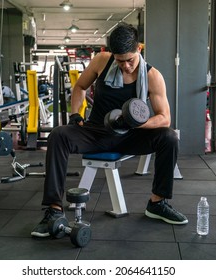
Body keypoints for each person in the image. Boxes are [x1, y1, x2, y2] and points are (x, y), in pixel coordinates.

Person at [31, 23, 188, 238]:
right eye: (119, 60)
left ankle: (157, 203)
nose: (125, 66)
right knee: (58, 134)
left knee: (169, 137)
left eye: (130, 60)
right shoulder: (101, 61)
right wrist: (75, 113)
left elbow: (164, 117)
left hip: (131, 135)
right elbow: (80, 87)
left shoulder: (153, 76)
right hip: (96, 131)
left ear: (139, 49)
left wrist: (137, 123)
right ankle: (53, 210)